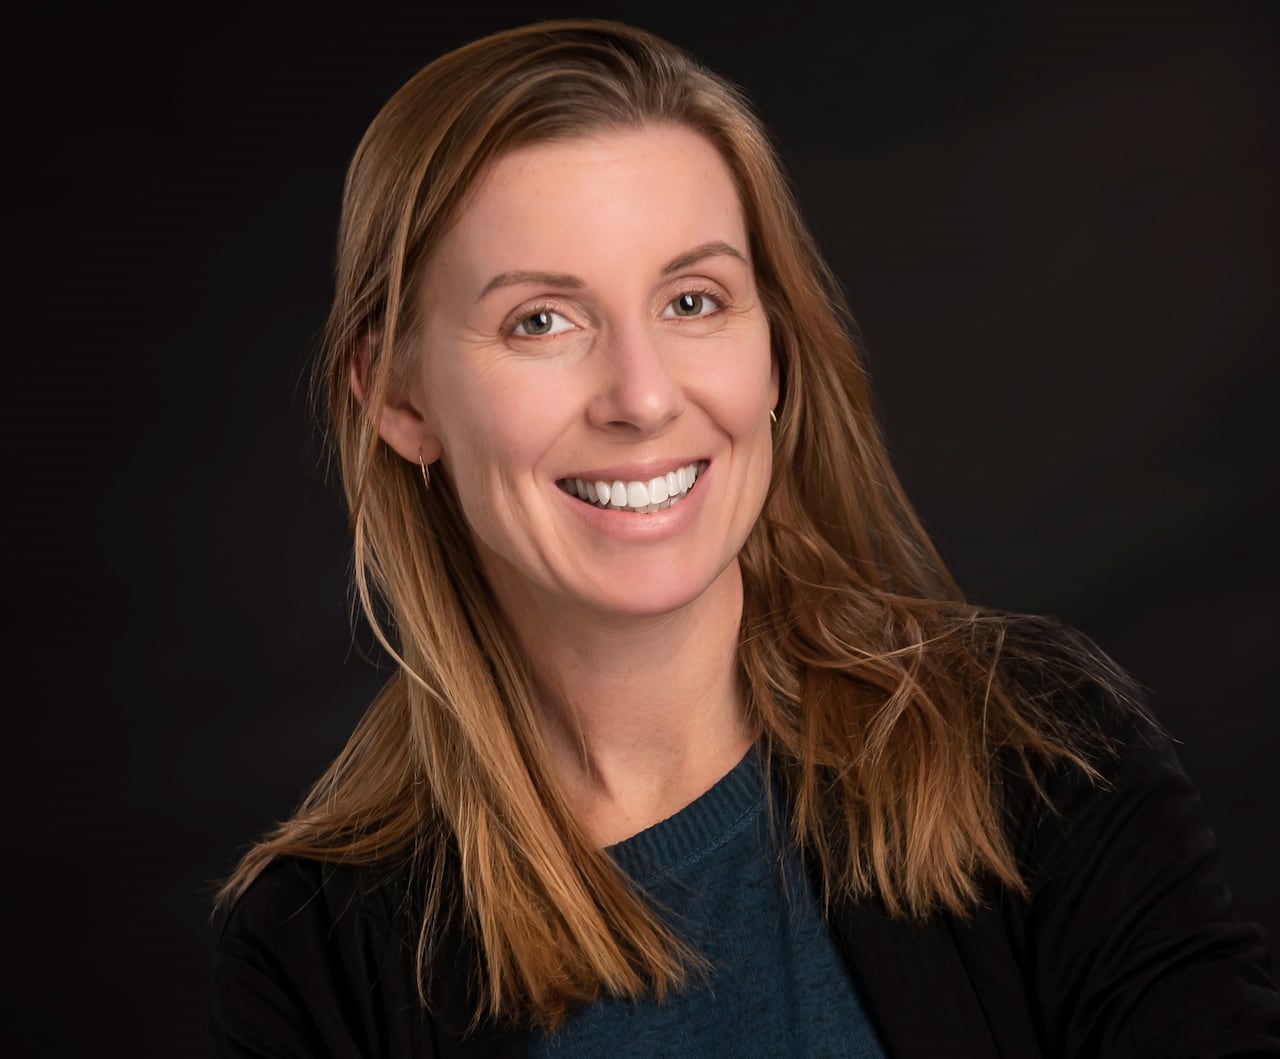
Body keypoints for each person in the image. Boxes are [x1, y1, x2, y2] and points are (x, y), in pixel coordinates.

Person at [209, 18, 1280, 1057]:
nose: (640, 395)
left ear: (772, 350)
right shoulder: (315, 954)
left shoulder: (1036, 755)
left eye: (692, 299)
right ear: (399, 397)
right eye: (542, 320)